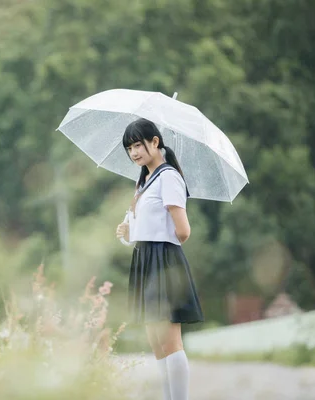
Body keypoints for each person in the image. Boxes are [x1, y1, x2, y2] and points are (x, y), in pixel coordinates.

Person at [115, 118, 204, 400]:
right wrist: (129, 231)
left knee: (169, 341)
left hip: (163, 261)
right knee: (155, 341)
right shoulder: (143, 182)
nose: (134, 153)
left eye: (138, 145)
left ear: (155, 142)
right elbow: (146, 225)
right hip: (144, 259)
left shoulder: (169, 177)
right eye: (129, 148)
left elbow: (183, 231)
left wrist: (155, 233)